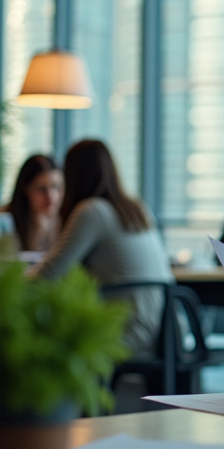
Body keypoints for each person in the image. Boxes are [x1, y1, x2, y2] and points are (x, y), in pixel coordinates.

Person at [32, 139, 173, 353]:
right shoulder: (137, 208)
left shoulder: (92, 210)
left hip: (125, 331)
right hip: (162, 331)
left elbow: (49, 275)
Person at [2, 154, 63, 252]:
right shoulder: (2, 220)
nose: (50, 196)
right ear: (26, 189)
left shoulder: (67, 221)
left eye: (55, 187)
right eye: (42, 189)